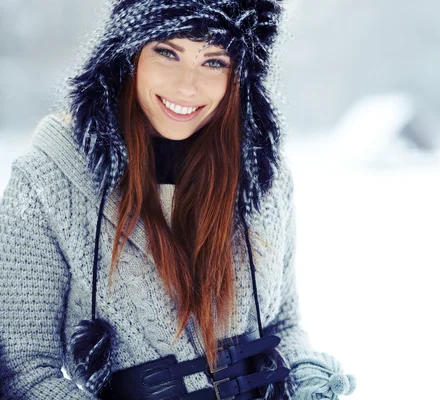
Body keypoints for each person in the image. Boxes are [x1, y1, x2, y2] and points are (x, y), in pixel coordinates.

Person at [0, 1, 356, 399]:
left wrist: (305, 377)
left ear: (238, 75)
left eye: (214, 62)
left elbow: (281, 324)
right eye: (168, 53)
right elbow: (24, 370)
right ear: (128, 53)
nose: (188, 86)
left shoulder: (259, 176)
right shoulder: (47, 180)